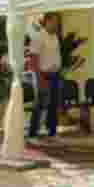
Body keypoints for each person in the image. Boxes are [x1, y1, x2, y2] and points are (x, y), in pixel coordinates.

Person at [27, 12, 63, 142]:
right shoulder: (38, 36)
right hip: (43, 75)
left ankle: (52, 132)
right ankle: (32, 134)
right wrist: (39, 77)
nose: (56, 24)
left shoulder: (55, 37)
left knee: (54, 104)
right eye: (54, 22)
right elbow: (33, 59)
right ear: (47, 22)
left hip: (55, 74)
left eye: (57, 22)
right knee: (39, 105)